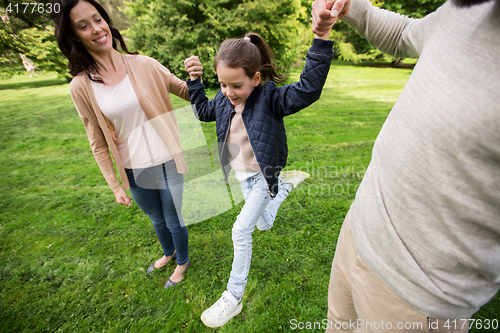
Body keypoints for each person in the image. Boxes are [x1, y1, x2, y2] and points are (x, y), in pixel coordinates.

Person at [312, 0, 500, 332]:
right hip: (357, 232)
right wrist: (355, 7)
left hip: (418, 297)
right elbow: (404, 33)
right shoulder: (469, 10)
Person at [184, 19, 336, 326]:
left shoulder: (271, 98)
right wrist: (195, 81)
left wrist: (320, 40)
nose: (228, 92)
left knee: (241, 231)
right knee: (264, 224)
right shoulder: (225, 101)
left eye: (236, 85)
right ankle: (285, 186)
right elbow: (202, 111)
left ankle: (233, 297)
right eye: (223, 84)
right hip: (243, 177)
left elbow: (307, 89)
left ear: (255, 78)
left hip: (262, 177)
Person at [52, 0, 191, 289]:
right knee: (156, 218)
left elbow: (183, 90)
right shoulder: (80, 86)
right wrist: (115, 185)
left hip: (166, 158)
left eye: (97, 18)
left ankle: (182, 262)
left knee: (173, 218)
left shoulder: (143, 63)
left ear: (106, 20)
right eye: (83, 25)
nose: (96, 28)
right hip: (132, 167)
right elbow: (97, 141)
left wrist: (203, 82)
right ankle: (169, 253)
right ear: (74, 35)